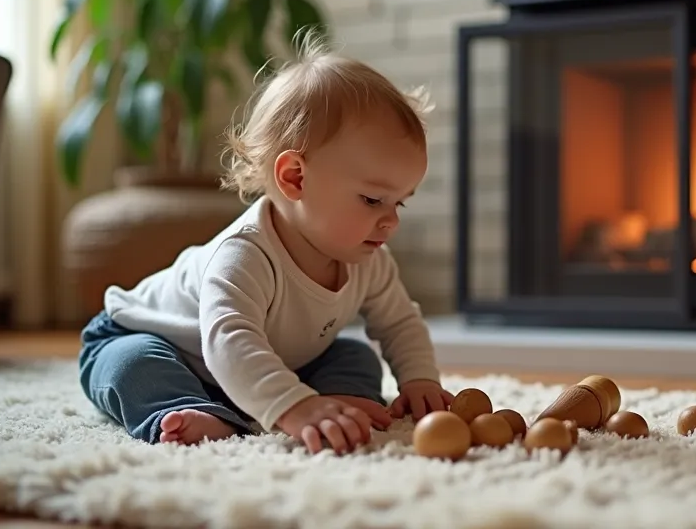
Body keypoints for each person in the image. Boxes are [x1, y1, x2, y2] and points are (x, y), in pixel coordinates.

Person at [76, 30, 454, 455]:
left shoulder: (370, 260)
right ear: (295, 178)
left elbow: (399, 323)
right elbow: (229, 342)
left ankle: (335, 399)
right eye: (372, 200)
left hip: (268, 358)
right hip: (159, 342)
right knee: (132, 367)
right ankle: (190, 409)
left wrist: (420, 380)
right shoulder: (245, 255)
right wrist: (292, 407)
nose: (389, 222)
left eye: (399, 203)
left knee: (353, 355)